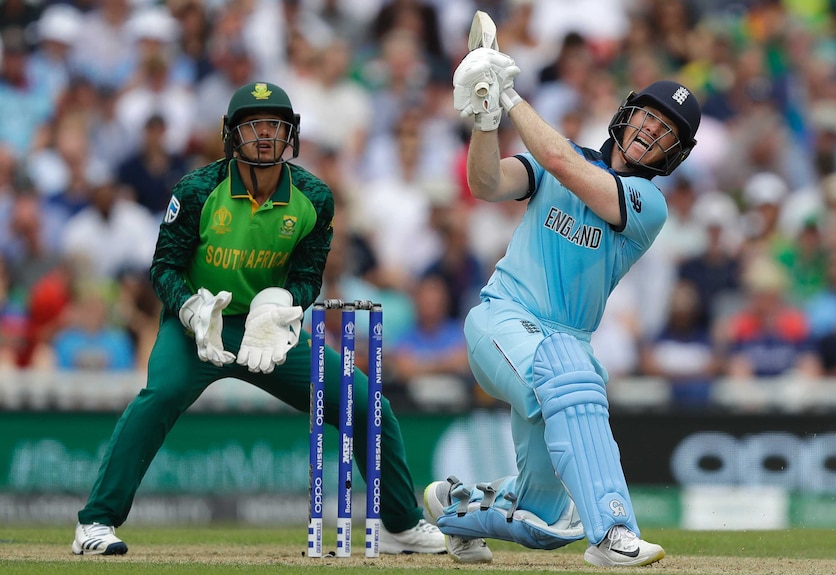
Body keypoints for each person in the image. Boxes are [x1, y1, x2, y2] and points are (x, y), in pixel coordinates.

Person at [71, 81, 445, 556]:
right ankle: (96, 522)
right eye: (254, 126)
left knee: (368, 403)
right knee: (157, 397)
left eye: (275, 125)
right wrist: (188, 306)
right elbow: (163, 266)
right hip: (201, 325)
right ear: (232, 134)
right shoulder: (197, 189)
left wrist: (284, 304)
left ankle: (399, 523)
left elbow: (309, 276)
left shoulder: (314, 198)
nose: (266, 135)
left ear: (291, 134)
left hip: (269, 331)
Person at [422, 46, 701, 568]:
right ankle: (614, 530)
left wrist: (510, 98)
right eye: (648, 117)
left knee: (548, 520)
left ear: (674, 154)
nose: (651, 132)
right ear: (626, 115)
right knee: (572, 373)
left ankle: (456, 508)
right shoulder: (559, 157)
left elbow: (560, 162)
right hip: (502, 318)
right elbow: (485, 184)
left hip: (564, 344)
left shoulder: (648, 205)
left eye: (667, 132)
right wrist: (485, 123)